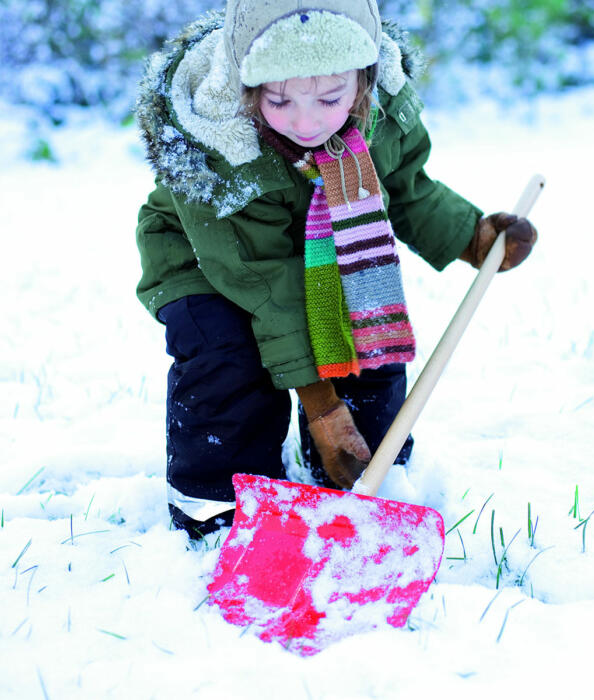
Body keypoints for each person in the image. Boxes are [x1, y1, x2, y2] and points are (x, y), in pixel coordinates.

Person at [134, 0, 538, 538]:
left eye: (329, 98)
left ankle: (366, 476)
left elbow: (405, 188)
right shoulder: (221, 147)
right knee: (230, 360)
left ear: (365, 79)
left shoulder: (382, 116)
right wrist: (322, 408)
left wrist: (474, 237)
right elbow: (265, 283)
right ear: (247, 86)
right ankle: (218, 504)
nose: (307, 120)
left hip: (331, 246)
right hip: (211, 260)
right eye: (279, 99)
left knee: (361, 338)